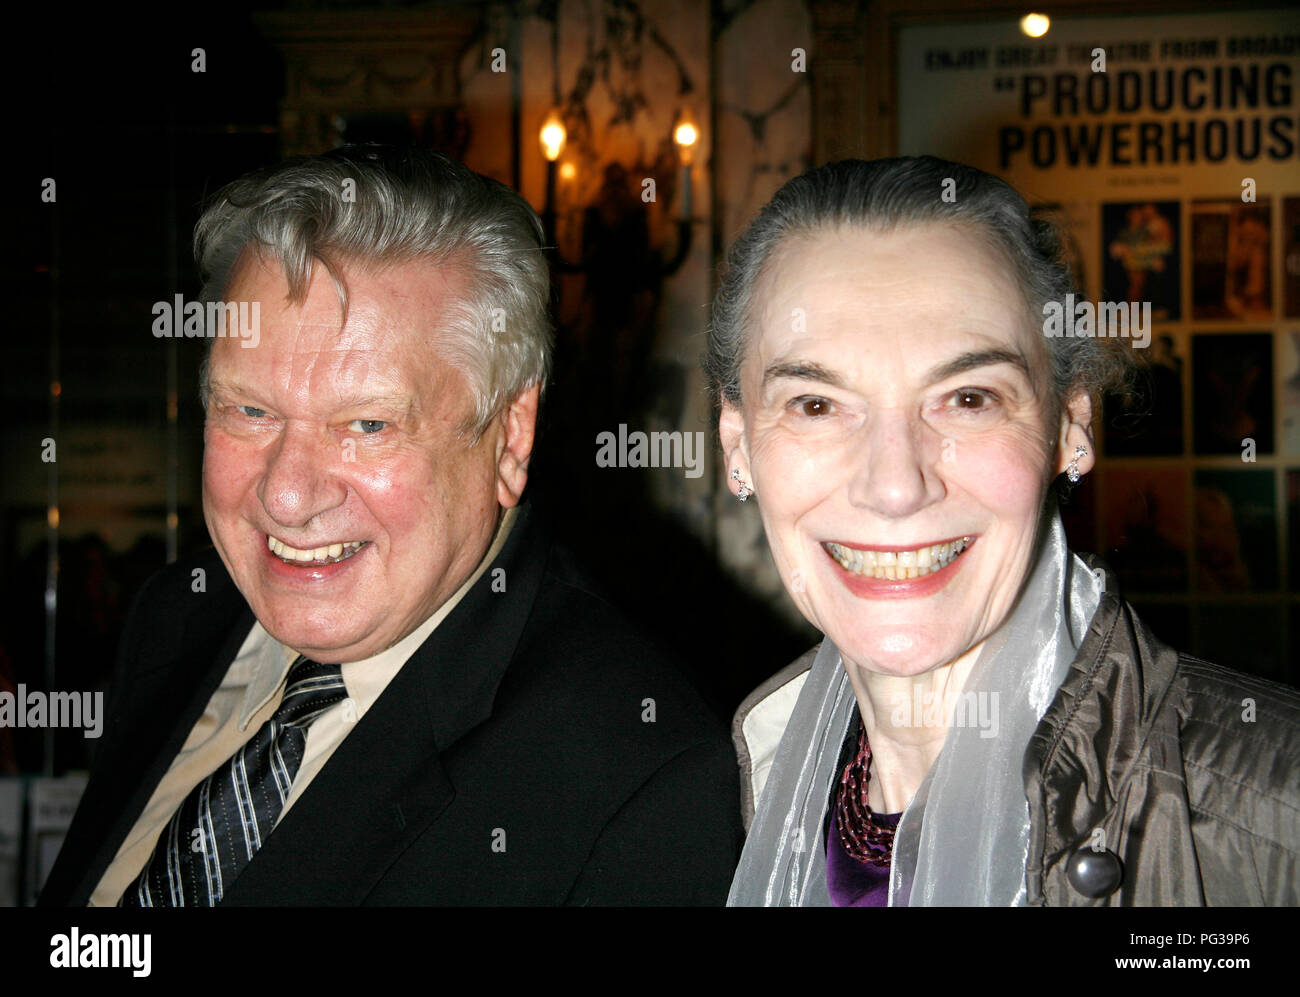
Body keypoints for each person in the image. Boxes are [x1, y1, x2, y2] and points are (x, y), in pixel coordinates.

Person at [40, 145, 739, 906]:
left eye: (367, 423)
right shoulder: (177, 616)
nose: (287, 495)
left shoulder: (638, 780)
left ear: (510, 435)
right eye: (250, 410)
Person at [706, 156, 1300, 906]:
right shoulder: (717, 802)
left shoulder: (1275, 827)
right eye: (817, 404)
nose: (894, 485)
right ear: (737, 442)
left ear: (1070, 427)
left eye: (968, 397)